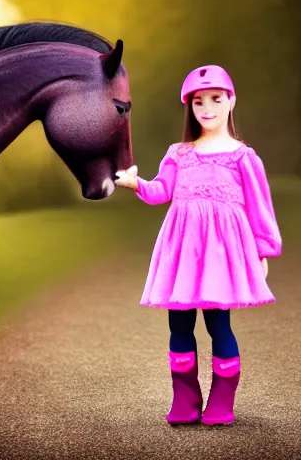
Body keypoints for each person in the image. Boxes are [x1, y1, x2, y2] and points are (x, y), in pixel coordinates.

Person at [115, 65, 282, 426]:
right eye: (198, 101)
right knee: (179, 323)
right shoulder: (179, 152)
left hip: (221, 253)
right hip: (184, 248)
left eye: (215, 99)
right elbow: (163, 190)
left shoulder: (242, 156)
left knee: (218, 323)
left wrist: (263, 248)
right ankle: (185, 397)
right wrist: (136, 183)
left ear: (231, 101)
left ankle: (222, 399)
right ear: (189, 107)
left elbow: (259, 205)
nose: (207, 108)